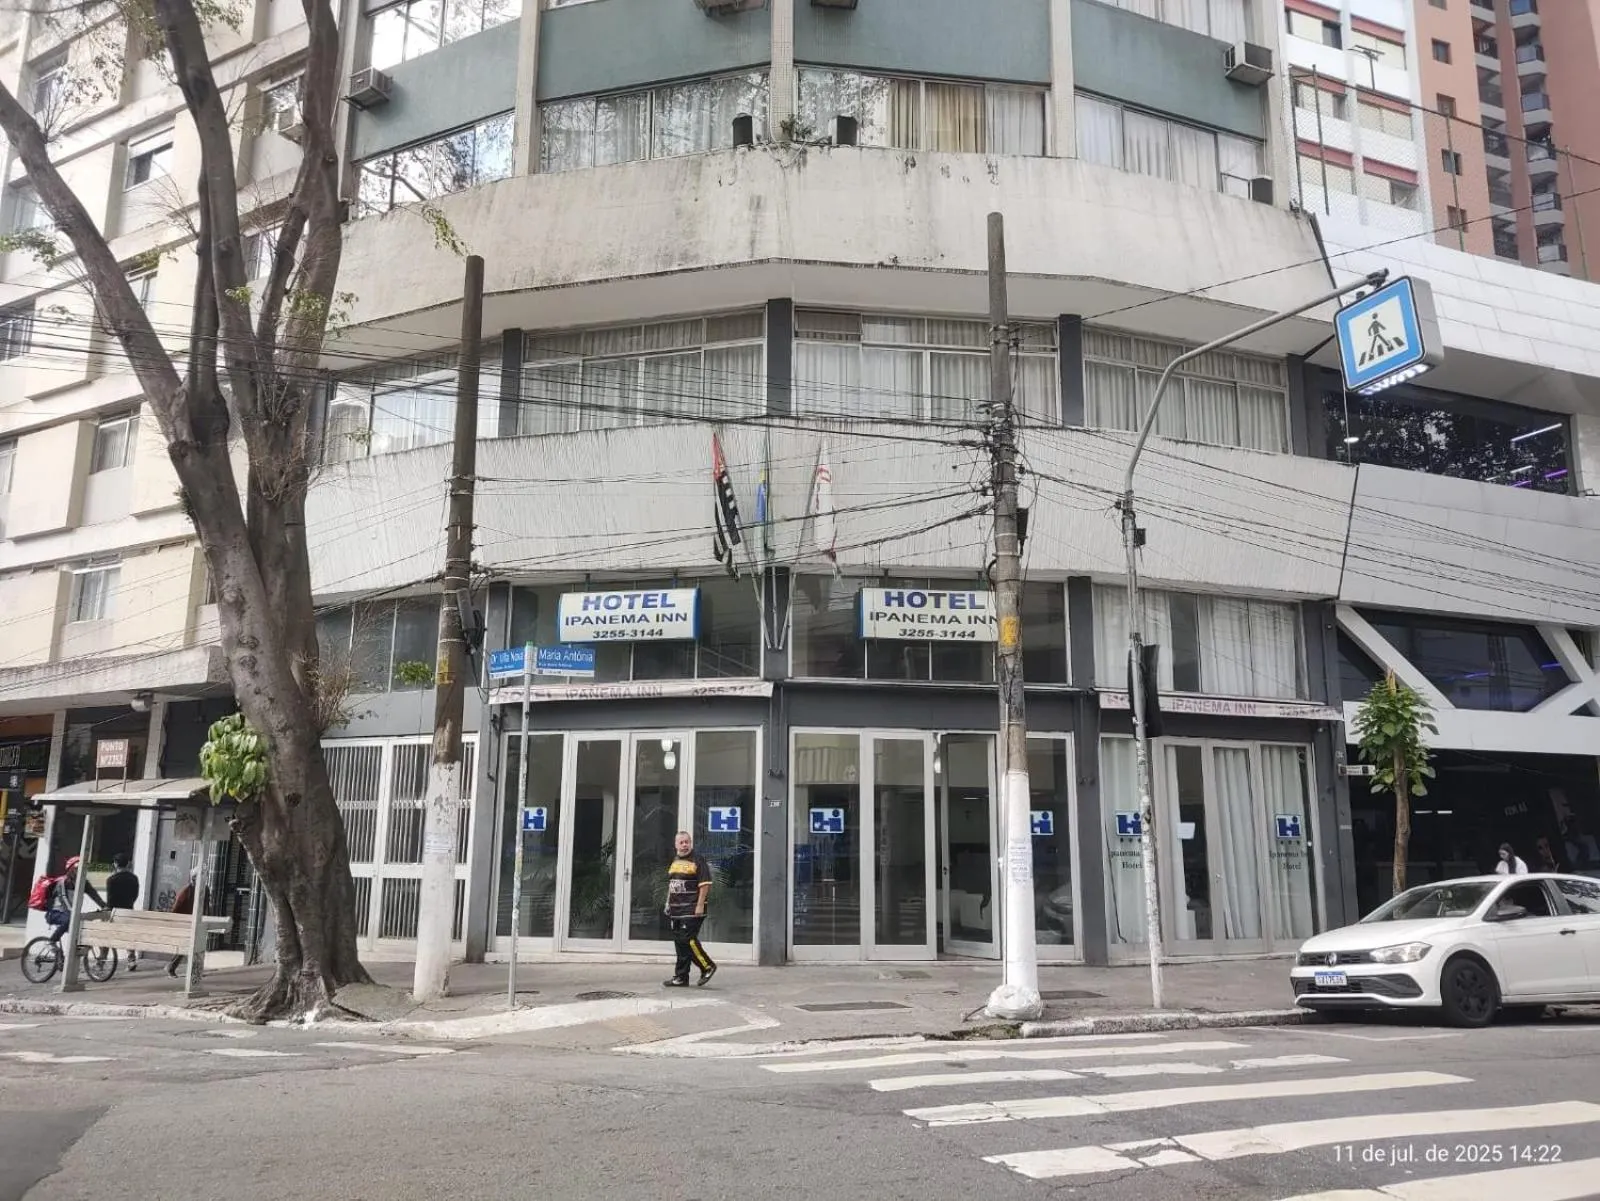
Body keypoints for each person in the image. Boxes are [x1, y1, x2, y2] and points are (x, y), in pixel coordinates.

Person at [662, 831, 716, 988]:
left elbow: (705, 884)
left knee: (688, 940)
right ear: (676, 844)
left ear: (691, 843)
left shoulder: (698, 860)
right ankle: (681, 977)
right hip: (676, 910)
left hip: (692, 909)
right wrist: (668, 903)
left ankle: (707, 966)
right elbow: (672, 884)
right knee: (680, 943)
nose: (685, 845)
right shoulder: (675, 861)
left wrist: (700, 905)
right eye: (682, 842)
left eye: (687, 842)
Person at [46, 856, 105, 947]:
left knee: (83, 924)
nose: (82, 871)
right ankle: (51, 941)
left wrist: (104, 906)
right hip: (55, 913)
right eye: (78, 868)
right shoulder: (63, 882)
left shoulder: (84, 882)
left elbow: (94, 895)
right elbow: (63, 899)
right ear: (71, 870)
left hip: (70, 913)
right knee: (71, 919)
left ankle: (77, 949)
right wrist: (73, 912)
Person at [105, 853, 141, 971]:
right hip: (128, 910)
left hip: (115, 912)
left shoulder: (111, 880)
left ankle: (101, 961)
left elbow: (110, 900)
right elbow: (135, 895)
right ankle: (131, 960)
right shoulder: (134, 878)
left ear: (115, 864)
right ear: (127, 864)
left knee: (105, 936)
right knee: (128, 935)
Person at [166, 869, 197, 978]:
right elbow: (176, 906)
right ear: (193, 878)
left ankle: (194, 970)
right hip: (185, 921)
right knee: (186, 946)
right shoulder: (186, 891)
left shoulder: (204, 889)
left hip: (195, 920)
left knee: (194, 946)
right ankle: (171, 967)